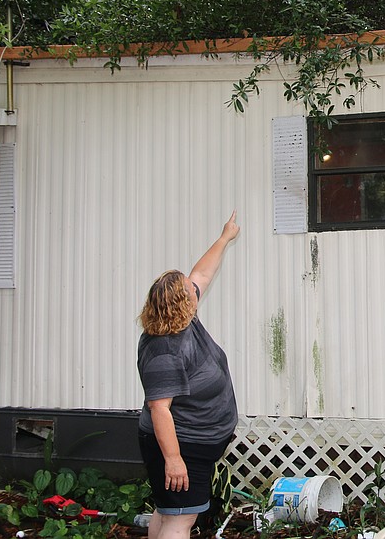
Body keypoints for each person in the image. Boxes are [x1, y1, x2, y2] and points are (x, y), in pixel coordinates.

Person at [136, 211, 240, 539]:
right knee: (181, 520)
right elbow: (160, 408)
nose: (194, 287)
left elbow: (202, 273)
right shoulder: (163, 351)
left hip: (194, 441)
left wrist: (225, 236)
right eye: (188, 289)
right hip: (181, 444)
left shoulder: (182, 321)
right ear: (182, 304)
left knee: (168, 512)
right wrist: (174, 459)